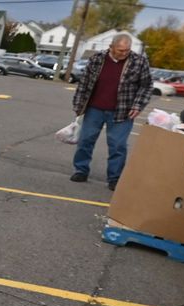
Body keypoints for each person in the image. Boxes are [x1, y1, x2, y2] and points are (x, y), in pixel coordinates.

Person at [70, 33, 152, 191]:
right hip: (94, 109)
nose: (124, 53)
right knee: (85, 141)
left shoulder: (139, 62)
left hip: (122, 112)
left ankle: (114, 178)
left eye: (127, 50)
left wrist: (138, 105)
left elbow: (146, 86)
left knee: (118, 146)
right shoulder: (97, 59)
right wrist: (78, 104)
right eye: (120, 50)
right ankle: (81, 170)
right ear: (111, 47)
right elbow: (84, 83)